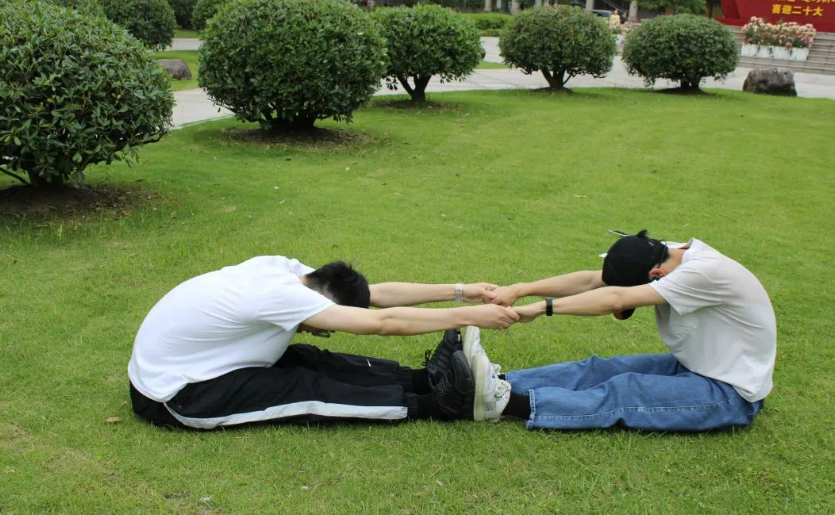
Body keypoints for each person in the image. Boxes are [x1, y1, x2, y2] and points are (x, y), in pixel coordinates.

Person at [128, 255, 519, 430]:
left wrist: (461, 291)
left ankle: (421, 380)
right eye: (325, 324)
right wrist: (469, 316)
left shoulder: (287, 272)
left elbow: (375, 296)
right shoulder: (281, 294)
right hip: (176, 395)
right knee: (303, 385)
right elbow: (381, 322)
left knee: (309, 358)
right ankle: (436, 404)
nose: (321, 328)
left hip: (196, 363)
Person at [469, 230, 776, 431]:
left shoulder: (703, 272)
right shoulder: (663, 253)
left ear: (656, 274)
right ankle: (483, 384)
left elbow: (616, 298)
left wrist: (540, 308)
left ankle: (502, 403)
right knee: (600, 369)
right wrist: (520, 289)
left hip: (731, 392)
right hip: (695, 367)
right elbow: (594, 280)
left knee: (626, 390)